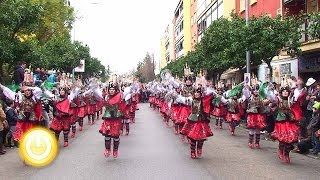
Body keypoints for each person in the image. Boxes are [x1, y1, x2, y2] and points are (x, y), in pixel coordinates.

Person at [180, 87, 213, 159]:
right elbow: (183, 100)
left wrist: (211, 92)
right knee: (192, 137)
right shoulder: (191, 100)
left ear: (201, 94)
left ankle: (199, 148)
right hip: (193, 120)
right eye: (195, 93)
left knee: (201, 137)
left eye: (198, 93)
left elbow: (210, 97)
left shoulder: (203, 101)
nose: (196, 94)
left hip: (201, 120)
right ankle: (192, 152)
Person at [271, 87, 300, 163]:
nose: (285, 92)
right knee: (282, 138)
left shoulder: (291, 100)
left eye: (286, 91)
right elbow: (271, 103)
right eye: (283, 91)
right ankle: (281, 151)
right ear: (281, 93)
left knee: (290, 139)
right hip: (281, 122)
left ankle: (286, 154)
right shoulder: (278, 100)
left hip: (290, 121)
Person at [99, 82, 126, 158]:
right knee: (107, 135)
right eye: (110, 89)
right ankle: (107, 150)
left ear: (115, 90)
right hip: (108, 118)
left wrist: (122, 125)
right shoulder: (106, 97)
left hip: (116, 118)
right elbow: (103, 105)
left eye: (113, 89)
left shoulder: (119, 96)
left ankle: (115, 150)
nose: (111, 91)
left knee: (115, 136)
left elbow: (122, 108)